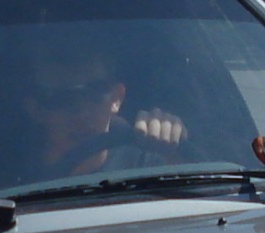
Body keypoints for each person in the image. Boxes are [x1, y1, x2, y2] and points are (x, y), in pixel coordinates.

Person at [13, 42, 186, 183]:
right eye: (62, 98)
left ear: (116, 98)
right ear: (36, 109)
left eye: (95, 92)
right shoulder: (11, 182)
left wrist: (172, 149)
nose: (82, 114)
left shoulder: (149, 169)